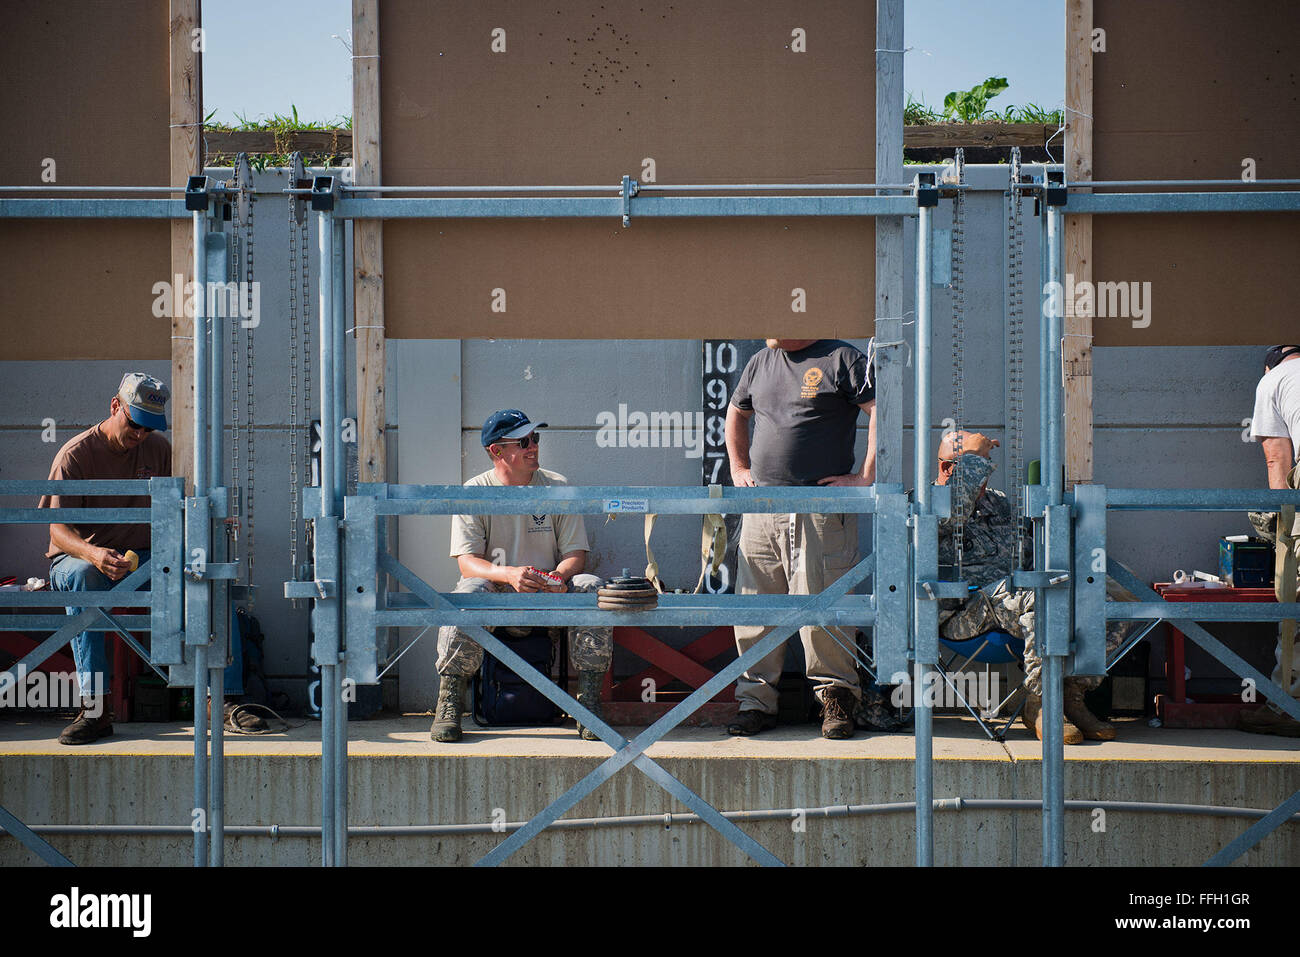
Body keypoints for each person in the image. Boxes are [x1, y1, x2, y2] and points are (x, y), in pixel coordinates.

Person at [934, 430, 1137, 743]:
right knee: (1039, 593)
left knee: (1108, 596)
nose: (985, 475)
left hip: (1017, 602)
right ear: (949, 468)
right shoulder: (926, 503)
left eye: (987, 465)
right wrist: (972, 458)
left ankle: (1072, 695)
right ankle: (1039, 704)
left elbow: (1033, 549)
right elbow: (953, 513)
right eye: (978, 467)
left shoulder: (998, 504)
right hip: (967, 612)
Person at [724, 339, 876, 739]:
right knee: (756, 610)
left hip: (820, 506)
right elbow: (736, 413)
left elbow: (881, 410)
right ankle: (755, 702)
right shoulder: (760, 361)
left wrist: (865, 477)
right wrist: (738, 467)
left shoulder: (841, 358)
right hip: (763, 506)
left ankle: (836, 699)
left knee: (824, 608)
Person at [431, 409, 613, 743]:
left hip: (548, 590)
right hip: (498, 590)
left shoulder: (557, 487)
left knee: (590, 587)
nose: (533, 448)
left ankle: (589, 703)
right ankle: (450, 702)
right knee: (466, 594)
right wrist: (508, 575)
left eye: (536, 439)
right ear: (496, 451)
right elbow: (467, 563)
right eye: (523, 442)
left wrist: (558, 577)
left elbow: (576, 555)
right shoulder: (475, 491)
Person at [39, 373, 172, 745]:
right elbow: (57, 531)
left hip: (140, 560)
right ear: (116, 406)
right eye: (135, 425)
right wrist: (94, 554)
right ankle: (95, 709)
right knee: (84, 578)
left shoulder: (158, 450)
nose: (140, 436)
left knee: (201, 572)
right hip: (80, 558)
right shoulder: (75, 454)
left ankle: (221, 697)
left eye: (149, 429)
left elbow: (181, 503)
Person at [1244, 344, 1300, 736]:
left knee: (1293, 594)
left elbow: (1276, 457)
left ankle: (1287, 705)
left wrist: (1283, 527)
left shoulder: (1274, 380)